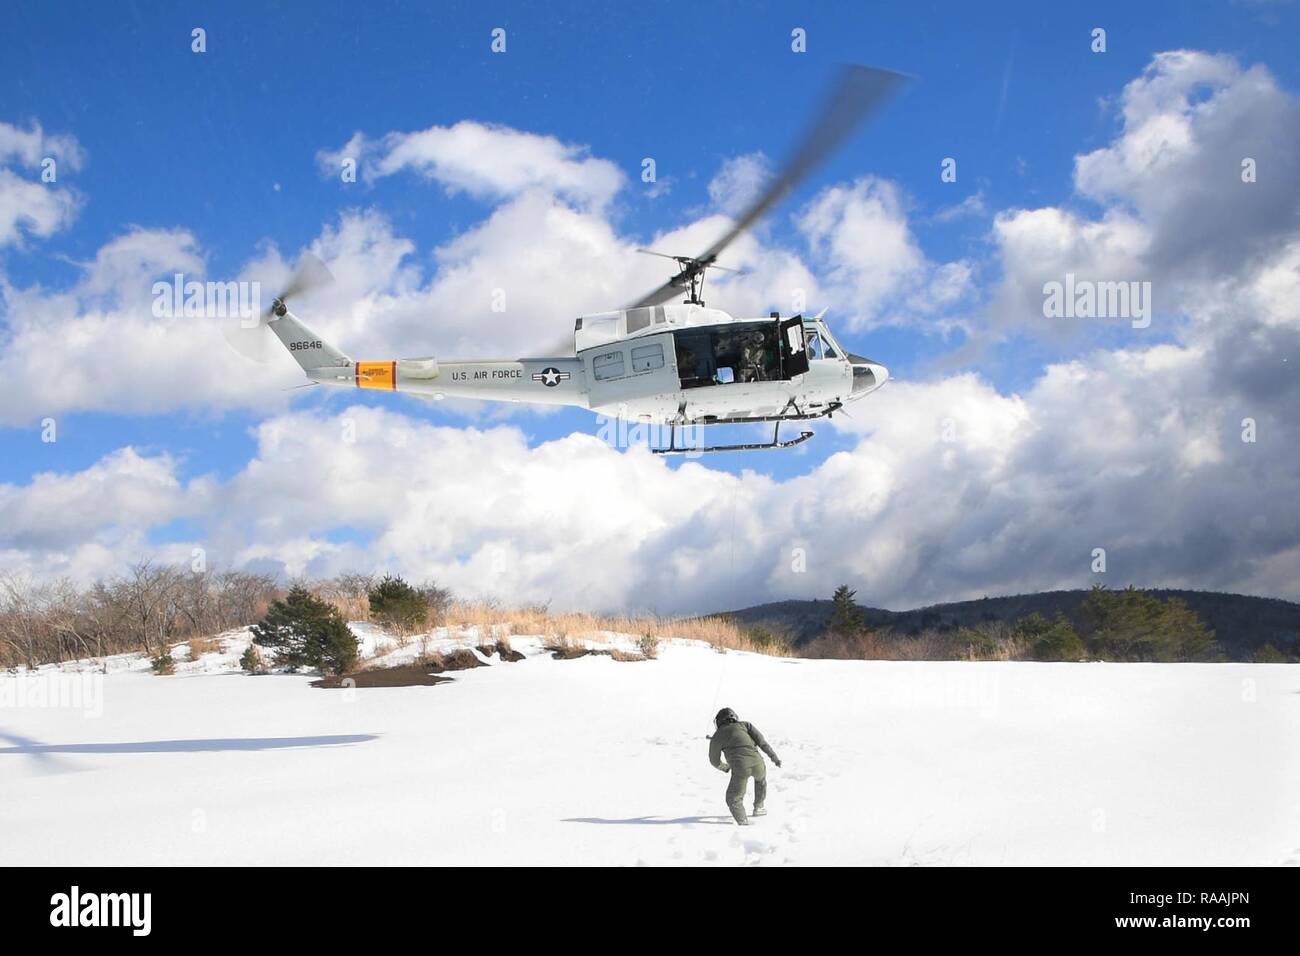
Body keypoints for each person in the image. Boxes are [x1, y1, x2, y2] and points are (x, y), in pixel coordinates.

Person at [708, 707, 781, 825]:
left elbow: (714, 761)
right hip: (759, 764)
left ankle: (743, 822)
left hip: (741, 768)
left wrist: (725, 767)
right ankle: (759, 807)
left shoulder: (717, 736)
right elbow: (762, 743)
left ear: (718, 722)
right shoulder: (745, 725)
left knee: (733, 798)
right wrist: (774, 758)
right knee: (760, 780)